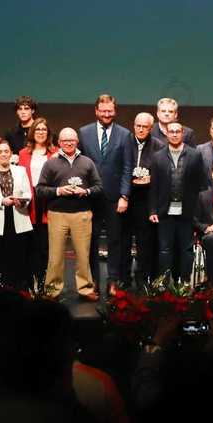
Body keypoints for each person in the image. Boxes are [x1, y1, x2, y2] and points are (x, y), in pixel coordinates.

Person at [36, 127, 103, 301]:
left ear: (77, 142)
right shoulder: (51, 164)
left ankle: (86, 289)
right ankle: (52, 291)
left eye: (72, 140)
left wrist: (85, 192)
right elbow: (40, 189)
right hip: (57, 214)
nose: (69, 143)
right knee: (55, 257)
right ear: (59, 142)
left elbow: (98, 187)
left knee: (83, 256)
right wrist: (59, 191)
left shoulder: (87, 162)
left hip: (82, 214)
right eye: (65, 140)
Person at [79, 94, 132, 293]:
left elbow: (127, 167)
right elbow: (79, 164)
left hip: (114, 197)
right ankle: (93, 280)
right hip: (90, 197)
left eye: (110, 111)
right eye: (103, 111)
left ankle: (112, 281)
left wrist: (124, 196)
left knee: (114, 241)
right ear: (96, 111)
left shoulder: (124, 134)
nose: (107, 114)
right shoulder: (84, 132)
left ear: (115, 111)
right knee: (91, 240)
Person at [0, 140, 33, 288]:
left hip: (18, 217)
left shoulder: (20, 170)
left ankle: (17, 291)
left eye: (6, 151)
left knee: (17, 259)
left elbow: (27, 193)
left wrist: (22, 201)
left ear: (11, 154)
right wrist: (2, 201)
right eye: (0, 152)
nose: (3, 154)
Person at [147, 121, 196, 283]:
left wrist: (199, 212)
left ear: (183, 134)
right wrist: (153, 210)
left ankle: (185, 282)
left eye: (177, 132)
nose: (174, 134)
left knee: (187, 249)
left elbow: (200, 185)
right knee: (165, 249)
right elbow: (153, 186)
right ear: (167, 134)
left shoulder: (195, 155)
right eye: (171, 132)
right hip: (164, 211)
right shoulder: (158, 156)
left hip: (188, 212)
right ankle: (163, 283)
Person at [18, 118, 58, 289]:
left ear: (48, 133)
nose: (41, 132)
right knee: (29, 243)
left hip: (48, 200)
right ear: (32, 132)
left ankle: (45, 281)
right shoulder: (23, 153)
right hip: (30, 201)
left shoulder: (56, 152)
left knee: (45, 244)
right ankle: (29, 281)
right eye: (38, 129)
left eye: (44, 129)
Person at [124, 112, 159, 288]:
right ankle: (124, 277)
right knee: (123, 239)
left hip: (146, 199)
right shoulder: (125, 142)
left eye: (145, 127)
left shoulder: (158, 146)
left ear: (151, 128)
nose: (141, 129)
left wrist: (151, 178)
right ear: (134, 125)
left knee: (145, 241)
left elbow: (162, 173)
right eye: (138, 126)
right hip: (126, 196)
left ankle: (142, 277)